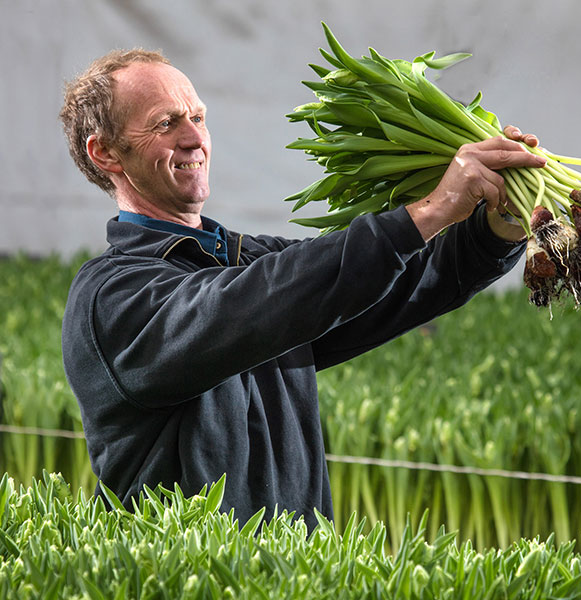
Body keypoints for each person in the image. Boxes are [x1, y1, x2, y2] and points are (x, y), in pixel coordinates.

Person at [59, 48, 546, 530]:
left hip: (298, 574)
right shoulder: (112, 295)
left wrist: (494, 227)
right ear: (104, 152)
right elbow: (250, 305)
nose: (194, 138)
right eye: (166, 123)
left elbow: (391, 286)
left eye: (198, 117)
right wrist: (432, 209)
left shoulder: (245, 257)